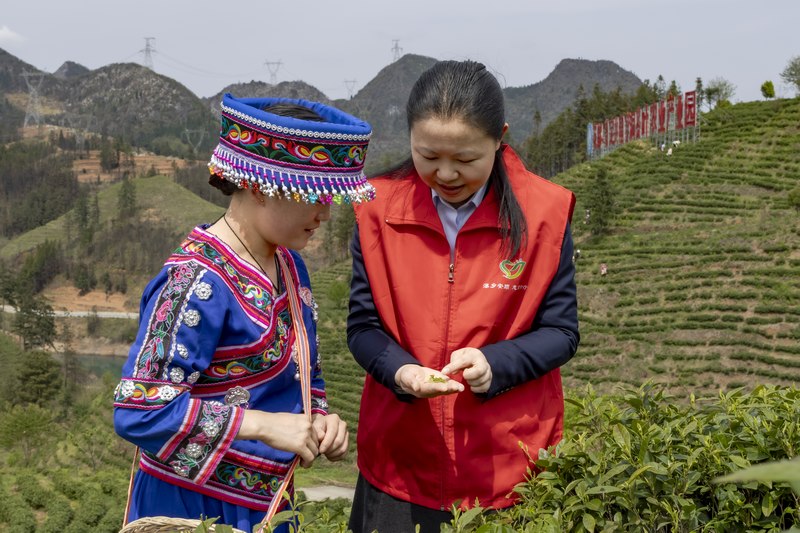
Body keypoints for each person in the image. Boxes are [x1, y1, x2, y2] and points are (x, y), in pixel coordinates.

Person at [113, 93, 374, 533]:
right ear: (258, 186)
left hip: (270, 505)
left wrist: (322, 418)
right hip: (191, 508)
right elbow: (138, 411)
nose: (326, 214)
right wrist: (264, 425)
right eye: (313, 196)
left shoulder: (290, 266)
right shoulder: (196, 281)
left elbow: (302, 374)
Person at [347, 60, 580, 533]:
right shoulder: (375, 210)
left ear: (500, 138)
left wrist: (496, 364)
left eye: (466, 159)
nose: (446, 173)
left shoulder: (546, 214)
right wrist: (401, 371)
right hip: (400, 465)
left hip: (508, 469)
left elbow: (562, 332)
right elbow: (363, 326)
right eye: (428, 155)